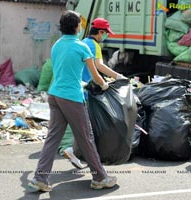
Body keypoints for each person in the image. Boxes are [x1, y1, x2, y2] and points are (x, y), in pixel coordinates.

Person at [28, 10, 117, 192]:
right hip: (72, 97)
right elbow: (96, 76)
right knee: (86, 137)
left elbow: (64, 71)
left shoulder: (57, 45)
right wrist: (105, 85)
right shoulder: (81, 47)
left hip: (54, 95)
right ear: (77, 26)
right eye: (80, 23)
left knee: (53, 138)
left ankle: (40, 179)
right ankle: (100, 177)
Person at [61, 17, 128, 168]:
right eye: (105, 33)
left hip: (74, 87)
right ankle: (91, 164)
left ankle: (75, 152)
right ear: (101, 32)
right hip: (85, 90)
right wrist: (117, 76)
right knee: (87, 128)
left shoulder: (83, 41)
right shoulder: (94, 45)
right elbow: (99, 66)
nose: (106, 36)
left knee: (80, 127)